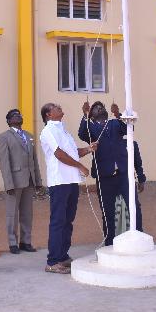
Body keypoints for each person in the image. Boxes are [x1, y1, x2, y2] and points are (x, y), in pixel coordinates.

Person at [78, 101, 146, 245]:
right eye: (95, 108)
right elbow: (82, 134)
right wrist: (84, 115)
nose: (99, 108)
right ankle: (109, 241)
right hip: (104, 177)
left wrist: (118, 114)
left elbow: (129, 128)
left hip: (123, 174)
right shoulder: (90, 127)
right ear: (91, 114)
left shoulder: (115, 123)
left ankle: (139, 235)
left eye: (101, 106)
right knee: (107, 210)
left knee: (133, 206)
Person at [40, 103, 95, 274]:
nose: (59, 107)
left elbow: (71, 152)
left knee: (67, 220)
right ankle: (53, 261)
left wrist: (88, 149)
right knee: (58, 221)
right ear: (49, 114)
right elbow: (59, 154)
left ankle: (62, 255)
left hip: (71, 181)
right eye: (55, 107)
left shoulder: (63, 130)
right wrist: (80, 166)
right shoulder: (48, 130)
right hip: (59, 181)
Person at [0, 108, 43, 254]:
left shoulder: (29, 136)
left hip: (29, 179)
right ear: (9, 121)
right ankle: (12, 243)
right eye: (14, 115)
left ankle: (26, 241)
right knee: (12, 213)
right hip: (14, 181)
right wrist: (8, 183)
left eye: (19, 115)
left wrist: (38, 180)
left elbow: (34, 160)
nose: (18, 117)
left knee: (27, 213)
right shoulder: (3, 137)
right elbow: (4, 162)